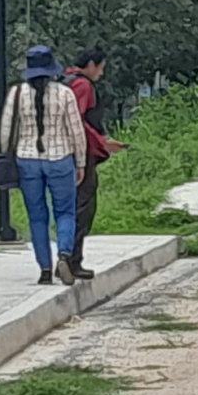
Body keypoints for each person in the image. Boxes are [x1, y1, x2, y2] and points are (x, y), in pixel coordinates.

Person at [0, 46, 88, 285]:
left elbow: (6, 132)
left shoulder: (17, 93)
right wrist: (81, 161)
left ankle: (45, 270)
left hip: (27, 161)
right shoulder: (64, 93)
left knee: (37, 216)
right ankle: (64, 255)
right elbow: (76, 132)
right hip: (60, 159)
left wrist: (8, 157)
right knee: (65, 212)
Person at [65, 49, 126, 272]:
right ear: (91, 64)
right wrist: (102, 143)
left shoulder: (65, 80)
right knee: (83, 207)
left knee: (67, 206)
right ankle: (72, 261)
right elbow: (78, 122)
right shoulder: (82, 85)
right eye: (100, 67)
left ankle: (66, 258)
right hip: (80, 153)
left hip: (60, 153)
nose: (101, 72)